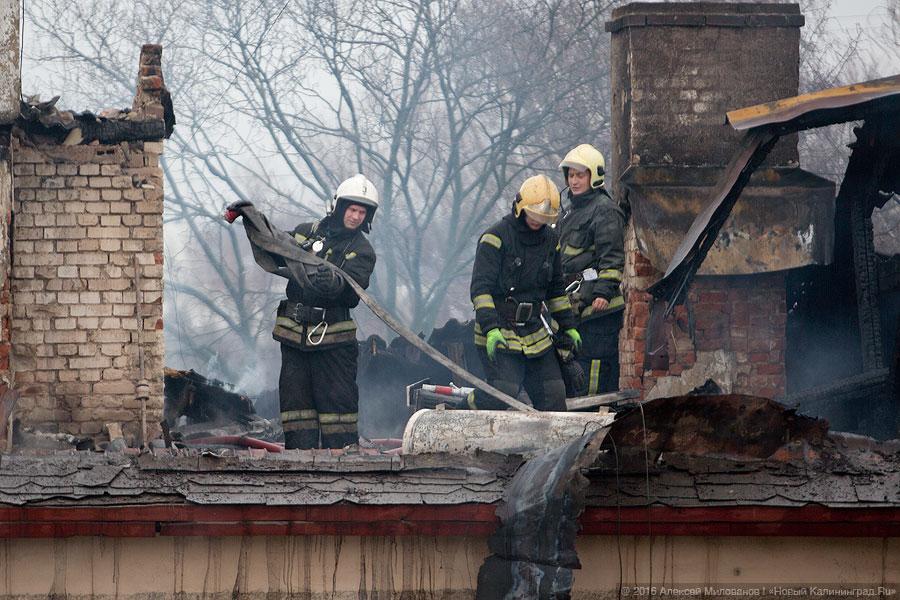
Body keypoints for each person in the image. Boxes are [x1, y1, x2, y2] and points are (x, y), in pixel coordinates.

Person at [272, 174, 377, 449]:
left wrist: (335, 283)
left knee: (337, 411)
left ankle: (342, 468)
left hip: (334, 346)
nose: (355, 216)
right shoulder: (306, 231)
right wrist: (250, 218)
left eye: (361, 212)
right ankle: (297, 466)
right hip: (294, 339)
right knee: (296, 411)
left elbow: (353, 292)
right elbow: (276, 247)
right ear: (339, 207)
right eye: (352, 209)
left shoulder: (362, 250)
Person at [469, 174, 580, 411]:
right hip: (499, 327)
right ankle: (461, 409)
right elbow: (480, 290)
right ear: (520, 207)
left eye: (544, 218)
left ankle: (548, 446)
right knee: (504, 390)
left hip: (534, 332)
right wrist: (490, 329)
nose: (537, 222)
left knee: (554, 394)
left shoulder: (551, 242)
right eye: (534, 215)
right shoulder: (495, 238)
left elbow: (556, 290)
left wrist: (568, 325)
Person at [557, 144, 626, 395]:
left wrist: (603, 293)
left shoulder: (604, 210)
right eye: (571, 175)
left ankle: (595, 413)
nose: (574, 181)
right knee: (577, 363)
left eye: (580, 175)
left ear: (593, 176)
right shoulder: (570, 214)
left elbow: (613, 256)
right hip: (576, 305)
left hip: (598, 310)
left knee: (594, 365)